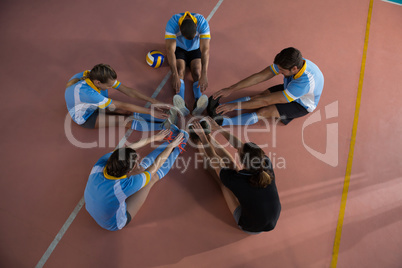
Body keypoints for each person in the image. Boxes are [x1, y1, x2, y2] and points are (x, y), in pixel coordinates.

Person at [84, 128, 189, 231]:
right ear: (128, 172)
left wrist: (154, 138)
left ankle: (171, 140)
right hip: (112, 223)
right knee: (151, 178)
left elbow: (129, 148)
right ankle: (178, 148)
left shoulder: (103, 162)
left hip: (92, 206)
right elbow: (154, 167)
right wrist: (171, 147)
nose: (137, 163)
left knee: (141, 169)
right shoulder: (124, 186)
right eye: (135, 163)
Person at [189, 118, 281, 233]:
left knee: (223, 183)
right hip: (268, 217)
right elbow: (240, 147)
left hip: (251, 226)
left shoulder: (237, 181)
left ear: (244, 162)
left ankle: (199, 144)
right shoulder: (265, 162)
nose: (238, 149)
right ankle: (209, 137)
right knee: (232, 164)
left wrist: (202, 139)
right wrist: (218, 129)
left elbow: (214, 158)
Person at [210, 47, 324, 125]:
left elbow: (266, 101)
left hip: (300, 104)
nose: (278, 72)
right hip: (290, 87)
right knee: (259, 96)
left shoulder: (305, 83)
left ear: (294, 69)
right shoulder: (291, 62)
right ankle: (221, 107)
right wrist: (231, 88)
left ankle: (221, 122)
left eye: (281, 70)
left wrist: (234, 106)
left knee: (263, 111)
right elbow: (260, 76)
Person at [65, 63, 170, 131]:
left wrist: (152, 100)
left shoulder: (94, 75)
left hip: (94, 104)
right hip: (86, 117)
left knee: (127, 112)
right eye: (109, 85)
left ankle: (164, 118)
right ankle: (164, 127)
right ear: (98, 82)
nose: (111, 87)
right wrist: (149, 111)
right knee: (123, 120)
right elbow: (122, 105)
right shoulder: (89, 94)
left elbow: (128, 91)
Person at [165, 11, 211, 117]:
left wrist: (204, 74)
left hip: (195, 49)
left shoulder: (202, 23)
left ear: (196, 26)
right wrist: (175, 75)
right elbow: (169, 50)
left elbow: (205, 50)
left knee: (197, 72)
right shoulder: (172, 23)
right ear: (180, 29)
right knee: (180, 70)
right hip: (179, 48)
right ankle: (181, 104)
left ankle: (198, 104)